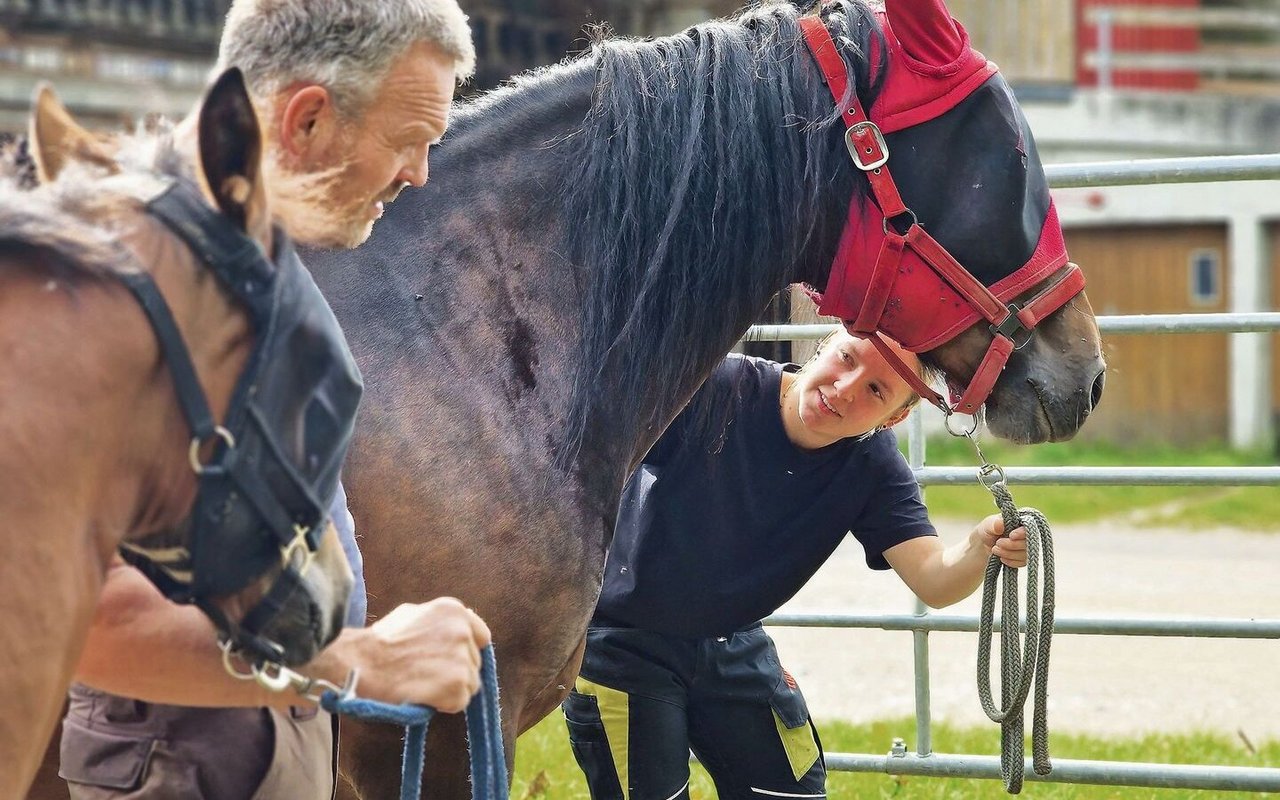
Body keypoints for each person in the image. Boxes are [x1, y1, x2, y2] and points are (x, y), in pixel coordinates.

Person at [52, 2, 486, 799]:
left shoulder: (239, 250)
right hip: (179, 762)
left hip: (266, 732)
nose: (419, 173)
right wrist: (363, 661)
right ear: (309, 119)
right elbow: (84, 617)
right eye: (407, 141)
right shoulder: (128, 270)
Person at [562, 330, 1028, 800]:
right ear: (823, 346)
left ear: (896, 417)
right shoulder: (716, 387)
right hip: (625, 640)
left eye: (876, 391)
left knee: (795, 790)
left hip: (735, 640)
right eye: (847, 358)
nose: (845, 388)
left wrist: (980, 546)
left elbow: (934, 581)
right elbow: (581, 444)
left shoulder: (871, 463)